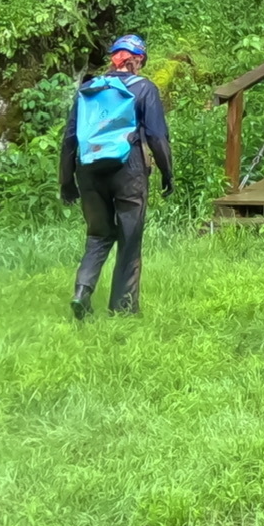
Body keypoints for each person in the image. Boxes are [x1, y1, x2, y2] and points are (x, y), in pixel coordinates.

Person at [60, 33, 172, 319]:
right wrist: (167, 174)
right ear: (137, 60)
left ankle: (82, 291)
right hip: (129, 171)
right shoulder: (144, 88)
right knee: (129, 239)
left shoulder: (89, 89)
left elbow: (70, 138)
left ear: (114, 58)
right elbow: (157, 137)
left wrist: (66, 181)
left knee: (98, 235)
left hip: (89, 171)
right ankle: (123, 310)